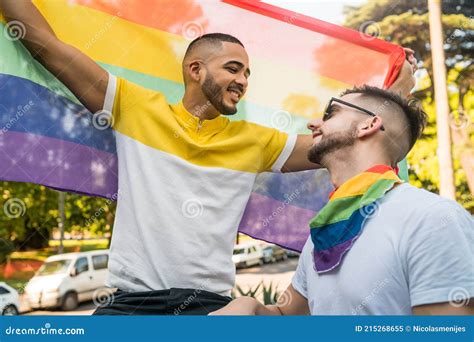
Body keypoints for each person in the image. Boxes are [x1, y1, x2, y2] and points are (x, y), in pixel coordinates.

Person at [0, 1, 416, 315]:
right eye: (233, 69)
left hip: (211, 311)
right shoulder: (133, 106)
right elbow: (46, 46)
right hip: (127, 307)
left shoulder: (257, 140)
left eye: (248, 74)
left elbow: (349, 139)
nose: (243, 81)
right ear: (195, 70)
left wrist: (399, 96)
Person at [211, 85, 474, 315]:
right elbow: (284, 316)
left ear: (369, 125)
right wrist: (251, 307)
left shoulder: (432, 217)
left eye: (330, 113)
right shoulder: (322, 234)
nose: (313, 123)